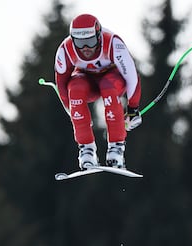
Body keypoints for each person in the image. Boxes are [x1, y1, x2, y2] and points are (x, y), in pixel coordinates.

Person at [54, 14, 142, 170]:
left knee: (107, 87)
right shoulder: (65, 50)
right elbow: (61, 84)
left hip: (113, 79)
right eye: (80, 43)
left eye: (90, 42)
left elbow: (131, 77)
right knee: (74, 90)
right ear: (73, 40)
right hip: (88, 80)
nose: (85, 48)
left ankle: (116, 149)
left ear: (99, 36)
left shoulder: (113, 43)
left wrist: (133, 108)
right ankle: (87, 150)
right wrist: (72, 110)